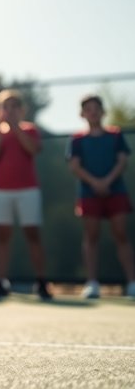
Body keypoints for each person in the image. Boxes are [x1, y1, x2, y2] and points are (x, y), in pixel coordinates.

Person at [0, 90, 52, 300]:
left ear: (22, 110)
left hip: (28, 189)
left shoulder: (30, 130)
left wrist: (16, 129)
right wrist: (1, 132)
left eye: (14, 106)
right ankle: (1, 281)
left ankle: (41, 281)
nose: (10, 110)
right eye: (6, 107)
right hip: (0, 191)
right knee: (2, 236)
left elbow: (32, 150)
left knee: (32, 234)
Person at [66, 94, 135, 299]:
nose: (93, 112)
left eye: (96, 108)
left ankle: (132, 282)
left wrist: (107, 181)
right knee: (91, 236)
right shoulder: (77, 140)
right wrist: (95, 183)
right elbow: (75, 167)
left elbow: (122, 162)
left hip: (116, 191)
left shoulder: (115, 135)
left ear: (103, 112)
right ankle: (92, 283)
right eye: (88, 109)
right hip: (89, 194)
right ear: (82, 114)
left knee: (121, 235)